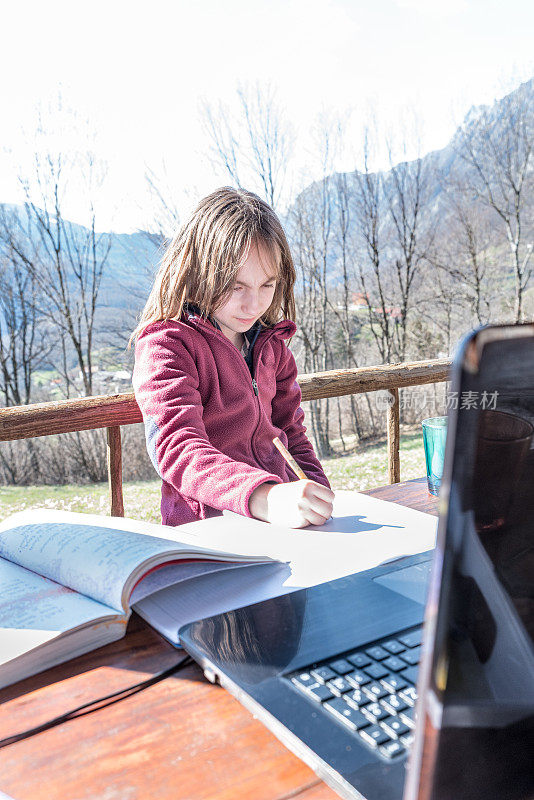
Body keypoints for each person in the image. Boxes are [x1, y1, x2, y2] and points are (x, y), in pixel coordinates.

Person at [131, 187, 334, 529]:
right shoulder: (166, 344)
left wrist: (319, 494)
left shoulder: (272, 347)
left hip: (286, 525)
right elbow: (177, 447)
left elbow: (291, 433)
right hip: (212, 535)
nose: (253, 306)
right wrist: (265, 497)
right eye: (236, 286)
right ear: (197, 271)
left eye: (267, 285)